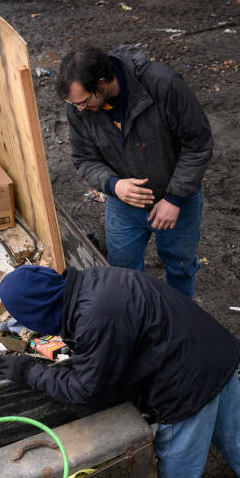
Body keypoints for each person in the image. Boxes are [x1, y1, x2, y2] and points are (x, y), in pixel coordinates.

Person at [0, 265, 240, 478]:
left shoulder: (95, 316)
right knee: (239, 438)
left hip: (185, 389)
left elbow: (85, 389)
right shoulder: (93, 282)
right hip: (213, 356)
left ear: (39, 311)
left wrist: (29, 371)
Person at [57, 46, 213, 298]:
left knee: (180, 267)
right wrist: (113, 185)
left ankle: (180, 322)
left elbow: (198, 145)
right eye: (74, 104)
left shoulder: (163, 85)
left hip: (176, 200)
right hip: (123, 205)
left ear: (103, 82)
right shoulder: (79, 107)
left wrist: (174, 198)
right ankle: (137, 324)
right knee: (122, 272)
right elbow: (84, 159)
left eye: (84, 102)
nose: (80, 110)